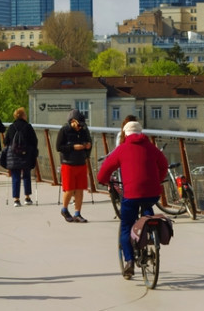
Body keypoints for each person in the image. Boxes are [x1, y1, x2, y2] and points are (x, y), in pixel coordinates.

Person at [97, 120, 169, 279]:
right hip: (152, 193)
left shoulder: (121, 149)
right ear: (141, 133)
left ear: (125, 134)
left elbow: (104, 171)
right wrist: (157, 180)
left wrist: (103, 180)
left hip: (131, 195)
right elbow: (164, 165)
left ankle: (129, 261)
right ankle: (150, 234)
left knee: (126, 226)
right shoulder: (152, 148)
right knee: (147, 213)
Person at [56, 109, 92, 223]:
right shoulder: (64, 130)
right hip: (68, 163)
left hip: (81, 162)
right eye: (78, 125)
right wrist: (73, 147)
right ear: (72, 121)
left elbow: (88, 142)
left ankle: (77, 213)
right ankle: (64, 209)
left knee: (80, 189)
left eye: (82, 125)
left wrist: (87, 146)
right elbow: (59, 147)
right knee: (69, 189)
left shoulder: (84, 130)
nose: (79, 127)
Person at [2, 107, 39, 207]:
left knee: (15, 177)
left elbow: (5, 141)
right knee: (26, 176)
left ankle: (16, 200)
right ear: (23, 115)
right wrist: (34, 152)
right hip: (25, 154)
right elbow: (34, 141)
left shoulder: (11, 127)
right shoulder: (28, 127)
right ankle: (27, 197)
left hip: (13, 155)